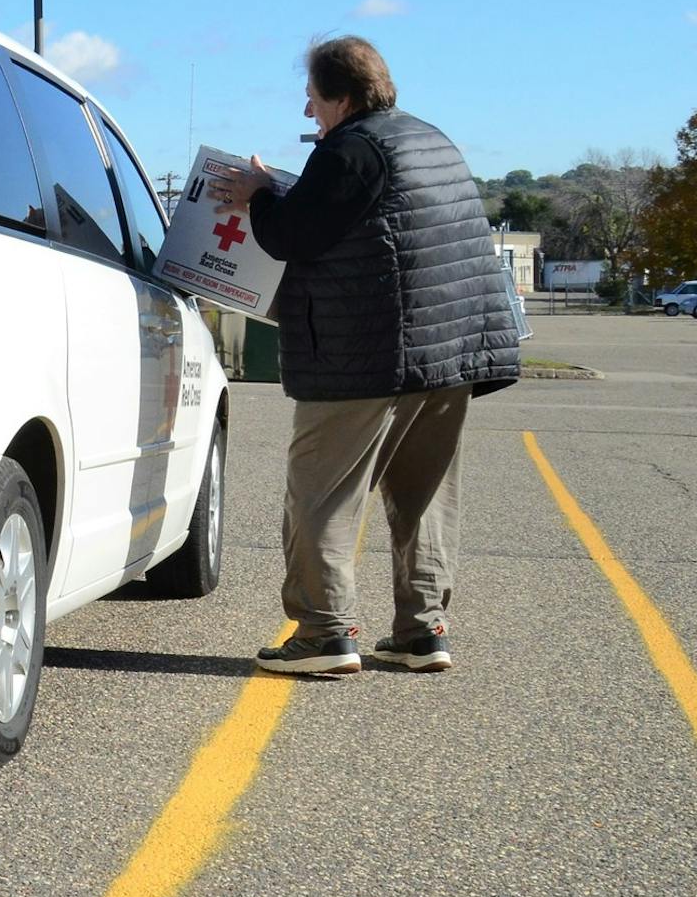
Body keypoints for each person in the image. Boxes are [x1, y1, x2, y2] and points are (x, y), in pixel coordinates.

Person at [214, 36, 518, 677]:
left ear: (343, 96)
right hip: (451, 353)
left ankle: (323, 635)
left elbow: (291, 235)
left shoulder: (351, 149)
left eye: (313, 99)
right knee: (425, 493)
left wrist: (262, 194)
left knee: (321, 492)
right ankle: (421, 629)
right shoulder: (432, 140)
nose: (308, 115)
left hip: (366, 353)